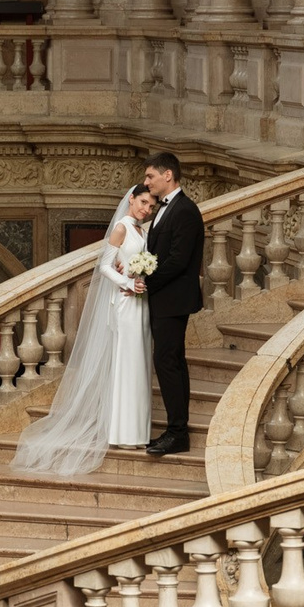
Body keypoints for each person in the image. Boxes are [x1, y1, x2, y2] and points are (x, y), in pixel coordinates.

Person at [11, 186, 157, 477]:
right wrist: (128, 283)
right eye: (143, 202)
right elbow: (104, 266)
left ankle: (137, 432)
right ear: (131, 199)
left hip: (141, 305)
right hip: (126, 304)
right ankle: (123, 433)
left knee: (139, 365)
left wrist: (140, 278)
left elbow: (132, 264)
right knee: (126, 365)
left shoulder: (143, 232)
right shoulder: (121, 227)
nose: (146, 209)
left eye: (151, 206)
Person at [139, 153, 204, 456]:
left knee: (168, 362)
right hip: (163, 299)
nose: (146, 182)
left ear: (168, 175)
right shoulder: (165, 209)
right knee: (170, 361)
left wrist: (147, 283)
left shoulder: (186, 211)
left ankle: (177, 432)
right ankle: (176, 430)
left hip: (173, 300)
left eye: (150, 176)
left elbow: (178, 261)